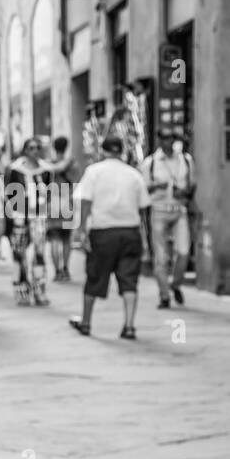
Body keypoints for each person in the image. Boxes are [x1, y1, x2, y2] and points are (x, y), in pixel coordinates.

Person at [70, 136, 151, 340]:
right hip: (129, 232)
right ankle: (129, 325)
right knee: (129, 280)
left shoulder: (94, 172)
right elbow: (143, 209)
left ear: (103, 150)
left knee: (95, 277)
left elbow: (86, 202)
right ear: (121, 151)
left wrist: (80, 230)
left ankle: (86, 322)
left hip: (103, 232)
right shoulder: (133, 174)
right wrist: (144, 238)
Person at [141, 128, 197, 309]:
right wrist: (157, 185)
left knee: (183, 251)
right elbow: (144, 190)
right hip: (159, 210)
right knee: (161, 256)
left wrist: (186, 194)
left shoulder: (185, 160)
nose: (168, 141)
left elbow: (192, 184)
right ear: (159, 140)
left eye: (171, 138)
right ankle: (164, 294)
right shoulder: (150, 163)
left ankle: (176, 284)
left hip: (179, 209)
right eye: (165, 138)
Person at [5, 138, 52, 306]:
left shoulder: (45, 170)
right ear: (25, 150)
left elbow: (49, 192)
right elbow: (8, 194)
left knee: (39, 254)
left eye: (37, 148)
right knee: (19, 255)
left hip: (38, 216)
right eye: (31, 148)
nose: (34, 151)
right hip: (19, 216)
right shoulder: (15, 169)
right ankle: (22, 291)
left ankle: (39, 291)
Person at [43, 136, 81, 282]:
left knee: (54, 238)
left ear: (54, 147)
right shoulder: (73, 164)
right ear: (66, 147)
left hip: (52, 204)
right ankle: (65, 269)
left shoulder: (47, 165)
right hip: (67, 204)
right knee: (66, 239)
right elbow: (76, 182)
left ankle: (57, 271)